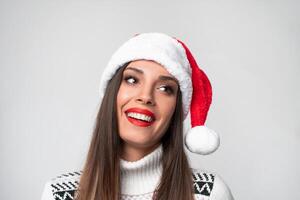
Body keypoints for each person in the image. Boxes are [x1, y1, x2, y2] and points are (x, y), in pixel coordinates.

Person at [41, 32, 234, 200]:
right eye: (132, 80)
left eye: (165, 88)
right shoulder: (59, 195)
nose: (146, 96)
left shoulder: (209, 194)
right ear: (113, 93)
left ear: (176, 108)